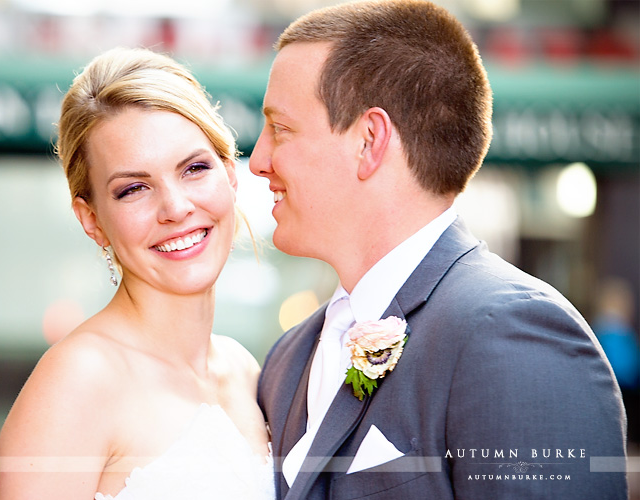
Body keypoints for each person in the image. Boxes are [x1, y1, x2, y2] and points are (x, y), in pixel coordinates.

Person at [250, 1, 628, 499]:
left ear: (369, 141)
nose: (257, 160)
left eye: (280, 128)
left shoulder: (511, 337)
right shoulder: (288, 358)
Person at [0, 47, 274, 500]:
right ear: (92, 219)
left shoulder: (246, 371)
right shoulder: (76, 383)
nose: (177, 208)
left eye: (195, 168)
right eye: (134, 189)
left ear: (229, 172)